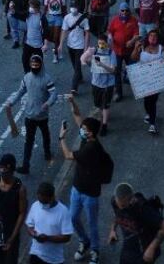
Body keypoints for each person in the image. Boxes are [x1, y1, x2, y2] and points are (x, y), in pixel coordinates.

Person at [59, 108, 114, 263]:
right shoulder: (88, 139)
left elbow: (68, 155)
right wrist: (72, 102)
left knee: (92, 223)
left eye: (84, 129)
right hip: (77, 189)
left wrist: (61, 138)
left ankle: (95, 250)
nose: (81, 130)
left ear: (90, 133)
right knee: (73, 217)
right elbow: (78, 117)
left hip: (90, 193)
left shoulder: (91, 149)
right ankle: (85, 241)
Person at [7, 54, 57, 175]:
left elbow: (54, 93)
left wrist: (48, 103)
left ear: (41, 65)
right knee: (29, 141)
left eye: (37, 64)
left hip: (42, 116)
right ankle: (25, 165)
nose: (34, 66)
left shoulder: (47, 79)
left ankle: (47, 153)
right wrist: (11, 102)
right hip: (29, 115)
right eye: (32, 65)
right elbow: (20, 91)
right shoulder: (26, 78)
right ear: (30, 65)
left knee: (46, 135)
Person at [109, 182, 164, 264]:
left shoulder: (143, 210)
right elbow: (117, 214)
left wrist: (151, 248)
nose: (120, 207)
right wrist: (113, 230)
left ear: (131, 200)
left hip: (144, 249)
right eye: (118, 204)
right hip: (129, 247)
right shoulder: (116, 202)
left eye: (123, 205)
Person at [0, 154, 27, 264]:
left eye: (5, 171)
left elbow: (22, 214)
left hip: (11, 229)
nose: (2, 173)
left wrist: (12, 238)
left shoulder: (20, 189)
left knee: (11, 259)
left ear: (12, 170)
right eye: (1, 170)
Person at [25, 181, 72, 264]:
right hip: (36, 254)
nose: (42, 204)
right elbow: (29, 226)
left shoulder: (63, 212)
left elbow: (67, 237)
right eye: (40, 201)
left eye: (44, 202)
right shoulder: (36, 205)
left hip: (54, 259)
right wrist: (34, 235)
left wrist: (48, 238)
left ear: (52, 197)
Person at [131, 29, 164, 135]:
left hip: (156, 80)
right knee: (147, 101)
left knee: (152, 100)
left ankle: (152, 123)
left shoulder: (161, 48)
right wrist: (136, 48)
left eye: (155, 36)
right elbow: (133, 58)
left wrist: (163, 61)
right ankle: (149, 114)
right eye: (151, 36)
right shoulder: (142, 47)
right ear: (148, 37)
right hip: (144, 80)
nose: (153, 38)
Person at [80, 37, 117, 135]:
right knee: (98, 104)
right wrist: (86, 59)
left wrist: (102, 65)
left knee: (105, 105)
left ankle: (104, 125)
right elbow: (84, 60)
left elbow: (113, 70)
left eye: (103, 43)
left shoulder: (111, 53)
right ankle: (104, 115)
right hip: (96, 83)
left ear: (107, 43)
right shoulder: (94, 51)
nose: (101, 45)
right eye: (99, 43)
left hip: (108, 84)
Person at [108, 3, 139, 102]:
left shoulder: (133, 20)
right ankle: (118, 93)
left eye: (126, 10)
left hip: (129, 51)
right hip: (117, 50)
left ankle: (135, 86)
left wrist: (132, 41)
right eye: (122, 10)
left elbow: (136, 34)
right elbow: (110, 31)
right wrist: (110, 38)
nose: (124, 12)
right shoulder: (115, 20)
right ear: (119, 11)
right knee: (117, 72)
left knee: (131, 69)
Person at [59, 5, 90, 95]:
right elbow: (64, 31)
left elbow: (87, 34)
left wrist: (85, 49)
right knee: (75, 65)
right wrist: (60, 44)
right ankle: (79, 77)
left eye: (74, 6)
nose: (73, 8)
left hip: (80, 46)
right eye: (72, 6)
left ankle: (74, 88)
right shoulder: (67, 17)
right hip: (70, 45)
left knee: (77, 67)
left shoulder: (84, 19)